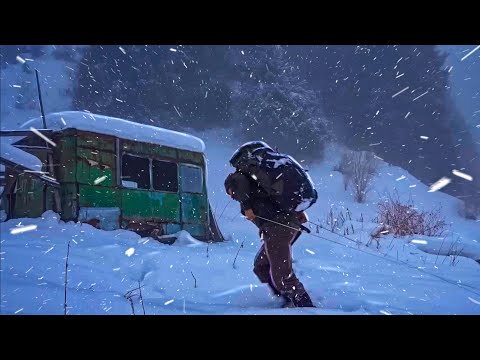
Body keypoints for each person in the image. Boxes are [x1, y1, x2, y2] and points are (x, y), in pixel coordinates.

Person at [224, 142, 315, 308]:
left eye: (230, 193)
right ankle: (286, 300)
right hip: (286, 225)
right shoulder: (258, 177)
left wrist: (246, 207)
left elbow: (241, 187)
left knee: (282, 277)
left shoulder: (238, 178)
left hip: (278, 228)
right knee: (261, 266)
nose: (231, 197)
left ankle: (306, 308)